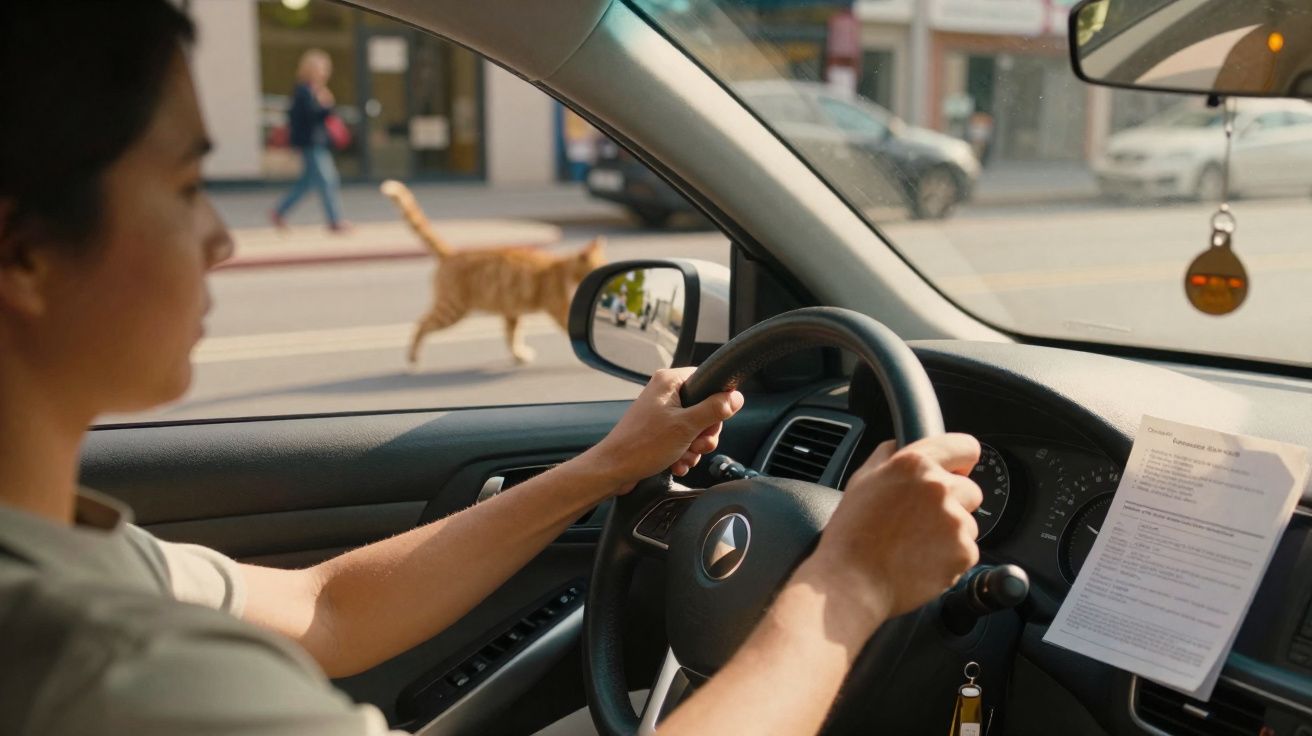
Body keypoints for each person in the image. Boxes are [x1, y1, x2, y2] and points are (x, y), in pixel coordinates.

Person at [0, 2, 982, 734]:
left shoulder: (82, 566)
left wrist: (604, 467)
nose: (221, 240)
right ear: (26, 255)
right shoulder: (113, 671)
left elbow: (323, 607)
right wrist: (845, 583)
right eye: (183, 187)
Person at [271, 49, 351, 232]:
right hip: (310, 143)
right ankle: (335, 221)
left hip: (317, 143)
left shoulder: (314, 90)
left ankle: (279, 212)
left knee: (307, 184)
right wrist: (327, 105)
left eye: (324, 68)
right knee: (328, 181)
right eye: (319, 68)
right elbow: (309, 116)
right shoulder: (303, 91)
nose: (323, 72)